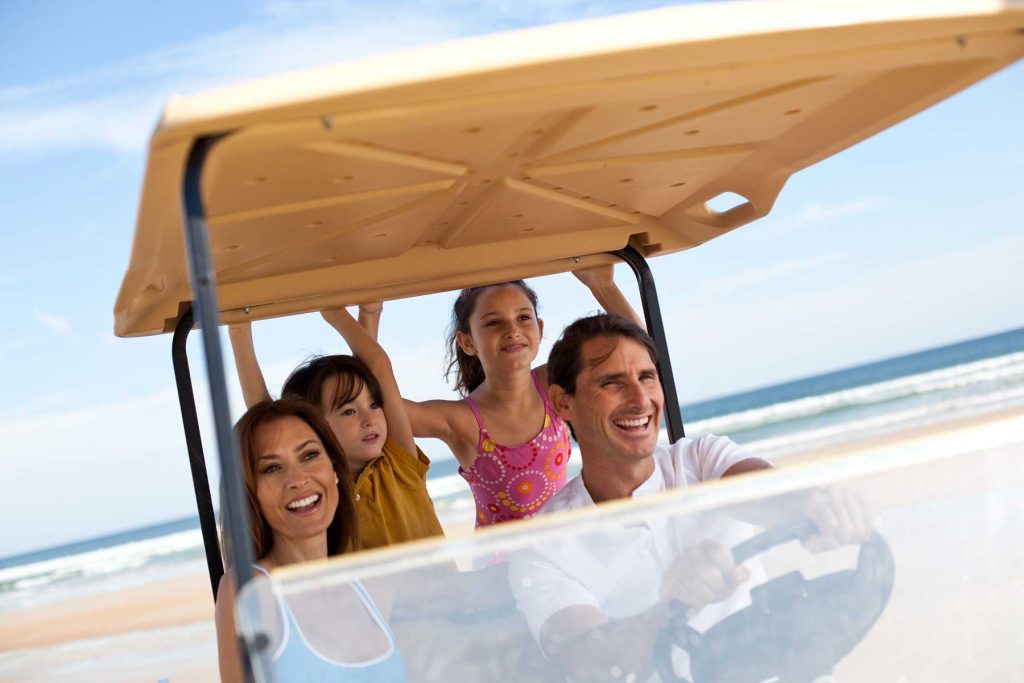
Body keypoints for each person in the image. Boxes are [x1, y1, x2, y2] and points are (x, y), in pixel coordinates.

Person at [509, 313, 873, 681]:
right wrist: (670, 604)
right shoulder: (542, 546)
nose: (640, 399)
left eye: (647, 378)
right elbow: (589, 657)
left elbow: (775, 496)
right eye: (612, 383)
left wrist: (816, 505)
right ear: (564, 402)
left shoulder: (701, 460)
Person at [401, 265, 643, 527]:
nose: (512, 330)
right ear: (467, 342)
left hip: (562, 551)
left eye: (523, 318)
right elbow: (378, 406)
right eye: (494, 323)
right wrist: (370, 315)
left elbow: (636, 353)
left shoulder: (554, 382)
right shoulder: (461, 420)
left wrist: (602, 286)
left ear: (539, 328)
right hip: (501, 564)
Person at [215, 399, 405, 683]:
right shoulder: (250, 590)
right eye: (271, 468)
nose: (297, 479)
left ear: (334, 471)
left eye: (309, 456)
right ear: (251, 495)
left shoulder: (373, 586)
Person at [228, 304, 443, 551]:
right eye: (348, 411)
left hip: (440, 590)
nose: (369, 419)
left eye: (374, 405)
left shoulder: (398, 462)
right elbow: (265, 416)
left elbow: (378, 366)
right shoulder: (320, 488)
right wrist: (239, 330)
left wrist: (334, 310)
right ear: (314, 427)